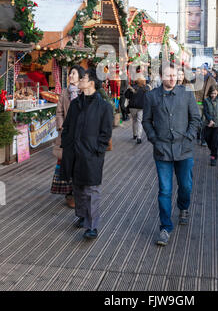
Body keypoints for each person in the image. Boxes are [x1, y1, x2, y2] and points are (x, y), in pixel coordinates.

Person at [142, 63, 201, 247]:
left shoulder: (187, 94)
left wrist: (190, 137)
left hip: (184, 149)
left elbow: (196, 119)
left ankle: (183, 207)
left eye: (174, 75)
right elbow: (146, 121)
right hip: (162, 151)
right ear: (161, 76)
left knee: (186, 185)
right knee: (165, 190)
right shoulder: (151, 96)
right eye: (168, 75)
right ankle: (165, 227)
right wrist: (154, 139)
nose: (172, 78)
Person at [60, 67, 113, 239]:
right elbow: (67, 126)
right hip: (74, 153)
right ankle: (82, 216)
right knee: (78, 187)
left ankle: (92, 226)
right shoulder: (76, 103)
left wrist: (97, 150)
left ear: (91, 83)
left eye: (84, 78)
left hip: (92, 155)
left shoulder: (104, 106)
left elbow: (106, 132)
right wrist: (67, 143)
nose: (80, 80)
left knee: (91, 190)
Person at [50, 65, 85, 208]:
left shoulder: (85, 92)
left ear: (81, 77)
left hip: (81, 135)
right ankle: (69, 193)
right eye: (70, 73)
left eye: (74, 73)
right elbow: (59, 112)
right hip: (67, 135)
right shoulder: (64, 92)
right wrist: (61, 126)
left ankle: (79, 193)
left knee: (80, 164)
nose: (70, 75)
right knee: (66, 164)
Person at [203, 86, 218, 166]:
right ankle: (213, 151)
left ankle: (213, 157)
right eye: (212, 93)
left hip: (217, 124)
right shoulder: (206, 101)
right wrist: (210, 120)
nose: (213, 95)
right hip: (208, 124)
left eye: (215, 93)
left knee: (215, 142)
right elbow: (205, 112)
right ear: (209, 93)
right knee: (206, 138)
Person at [194, 63, 217, 146]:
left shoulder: (212, 80)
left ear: (206, 70)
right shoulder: (196, 78)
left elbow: (216, 91)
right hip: (198, 103)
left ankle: (203, 139)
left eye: (204, 69)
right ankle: (198, 133)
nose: (203, 71)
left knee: (204, 121)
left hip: (207, 103)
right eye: (202, 69)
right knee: (198, 120)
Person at [125, 77, 151, 144]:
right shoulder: (145, 88)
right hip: (141, 107)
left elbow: (126, 96)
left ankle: (134, 134)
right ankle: (139, 137)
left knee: (134, 120)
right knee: (139, 121)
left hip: (132, 107)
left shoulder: (132, 87)